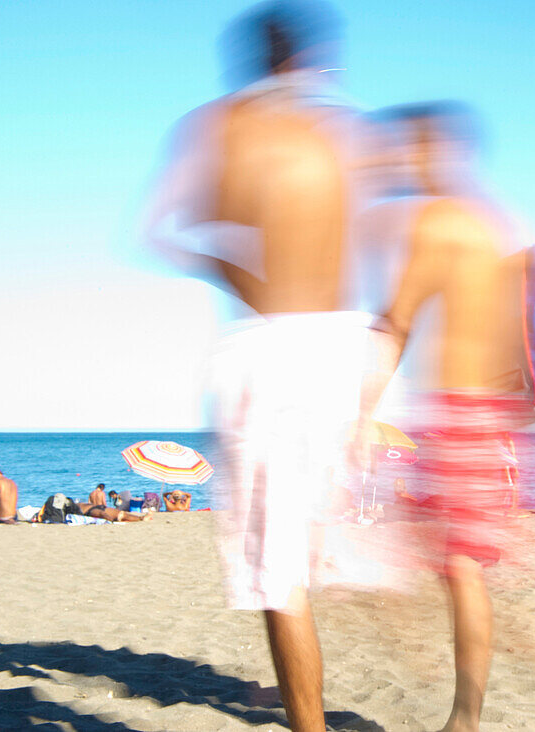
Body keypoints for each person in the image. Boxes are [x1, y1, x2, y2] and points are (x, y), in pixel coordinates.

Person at [144, 4, 370, 729]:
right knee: (315, 546)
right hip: (344, 343)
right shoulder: (344, 133)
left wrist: (228, 263)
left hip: (272, 345)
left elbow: (161, 231)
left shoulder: (222, 126)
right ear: (308, 60)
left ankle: (308, 722)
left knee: (280, 574)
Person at [355, 100, 535, 732]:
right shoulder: (501, 224)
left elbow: (398, 318)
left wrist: (359, 407)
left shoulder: (441, 221)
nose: (396, 161)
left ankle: (465, 718)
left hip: (461, 416)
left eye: (406, 149)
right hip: (491, 417)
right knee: (448, 565)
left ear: (433, 150)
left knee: (458, 569)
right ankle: (462, 706)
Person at [77, 502, 151, 522]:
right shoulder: (83, 506)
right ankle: (141, 518)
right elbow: (102, 513)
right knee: (121, 515)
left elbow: (102, 513)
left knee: (121, 515)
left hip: (96, 509)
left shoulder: (87, 509)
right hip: (99, 508)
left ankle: (141, 518)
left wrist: (111, 520)